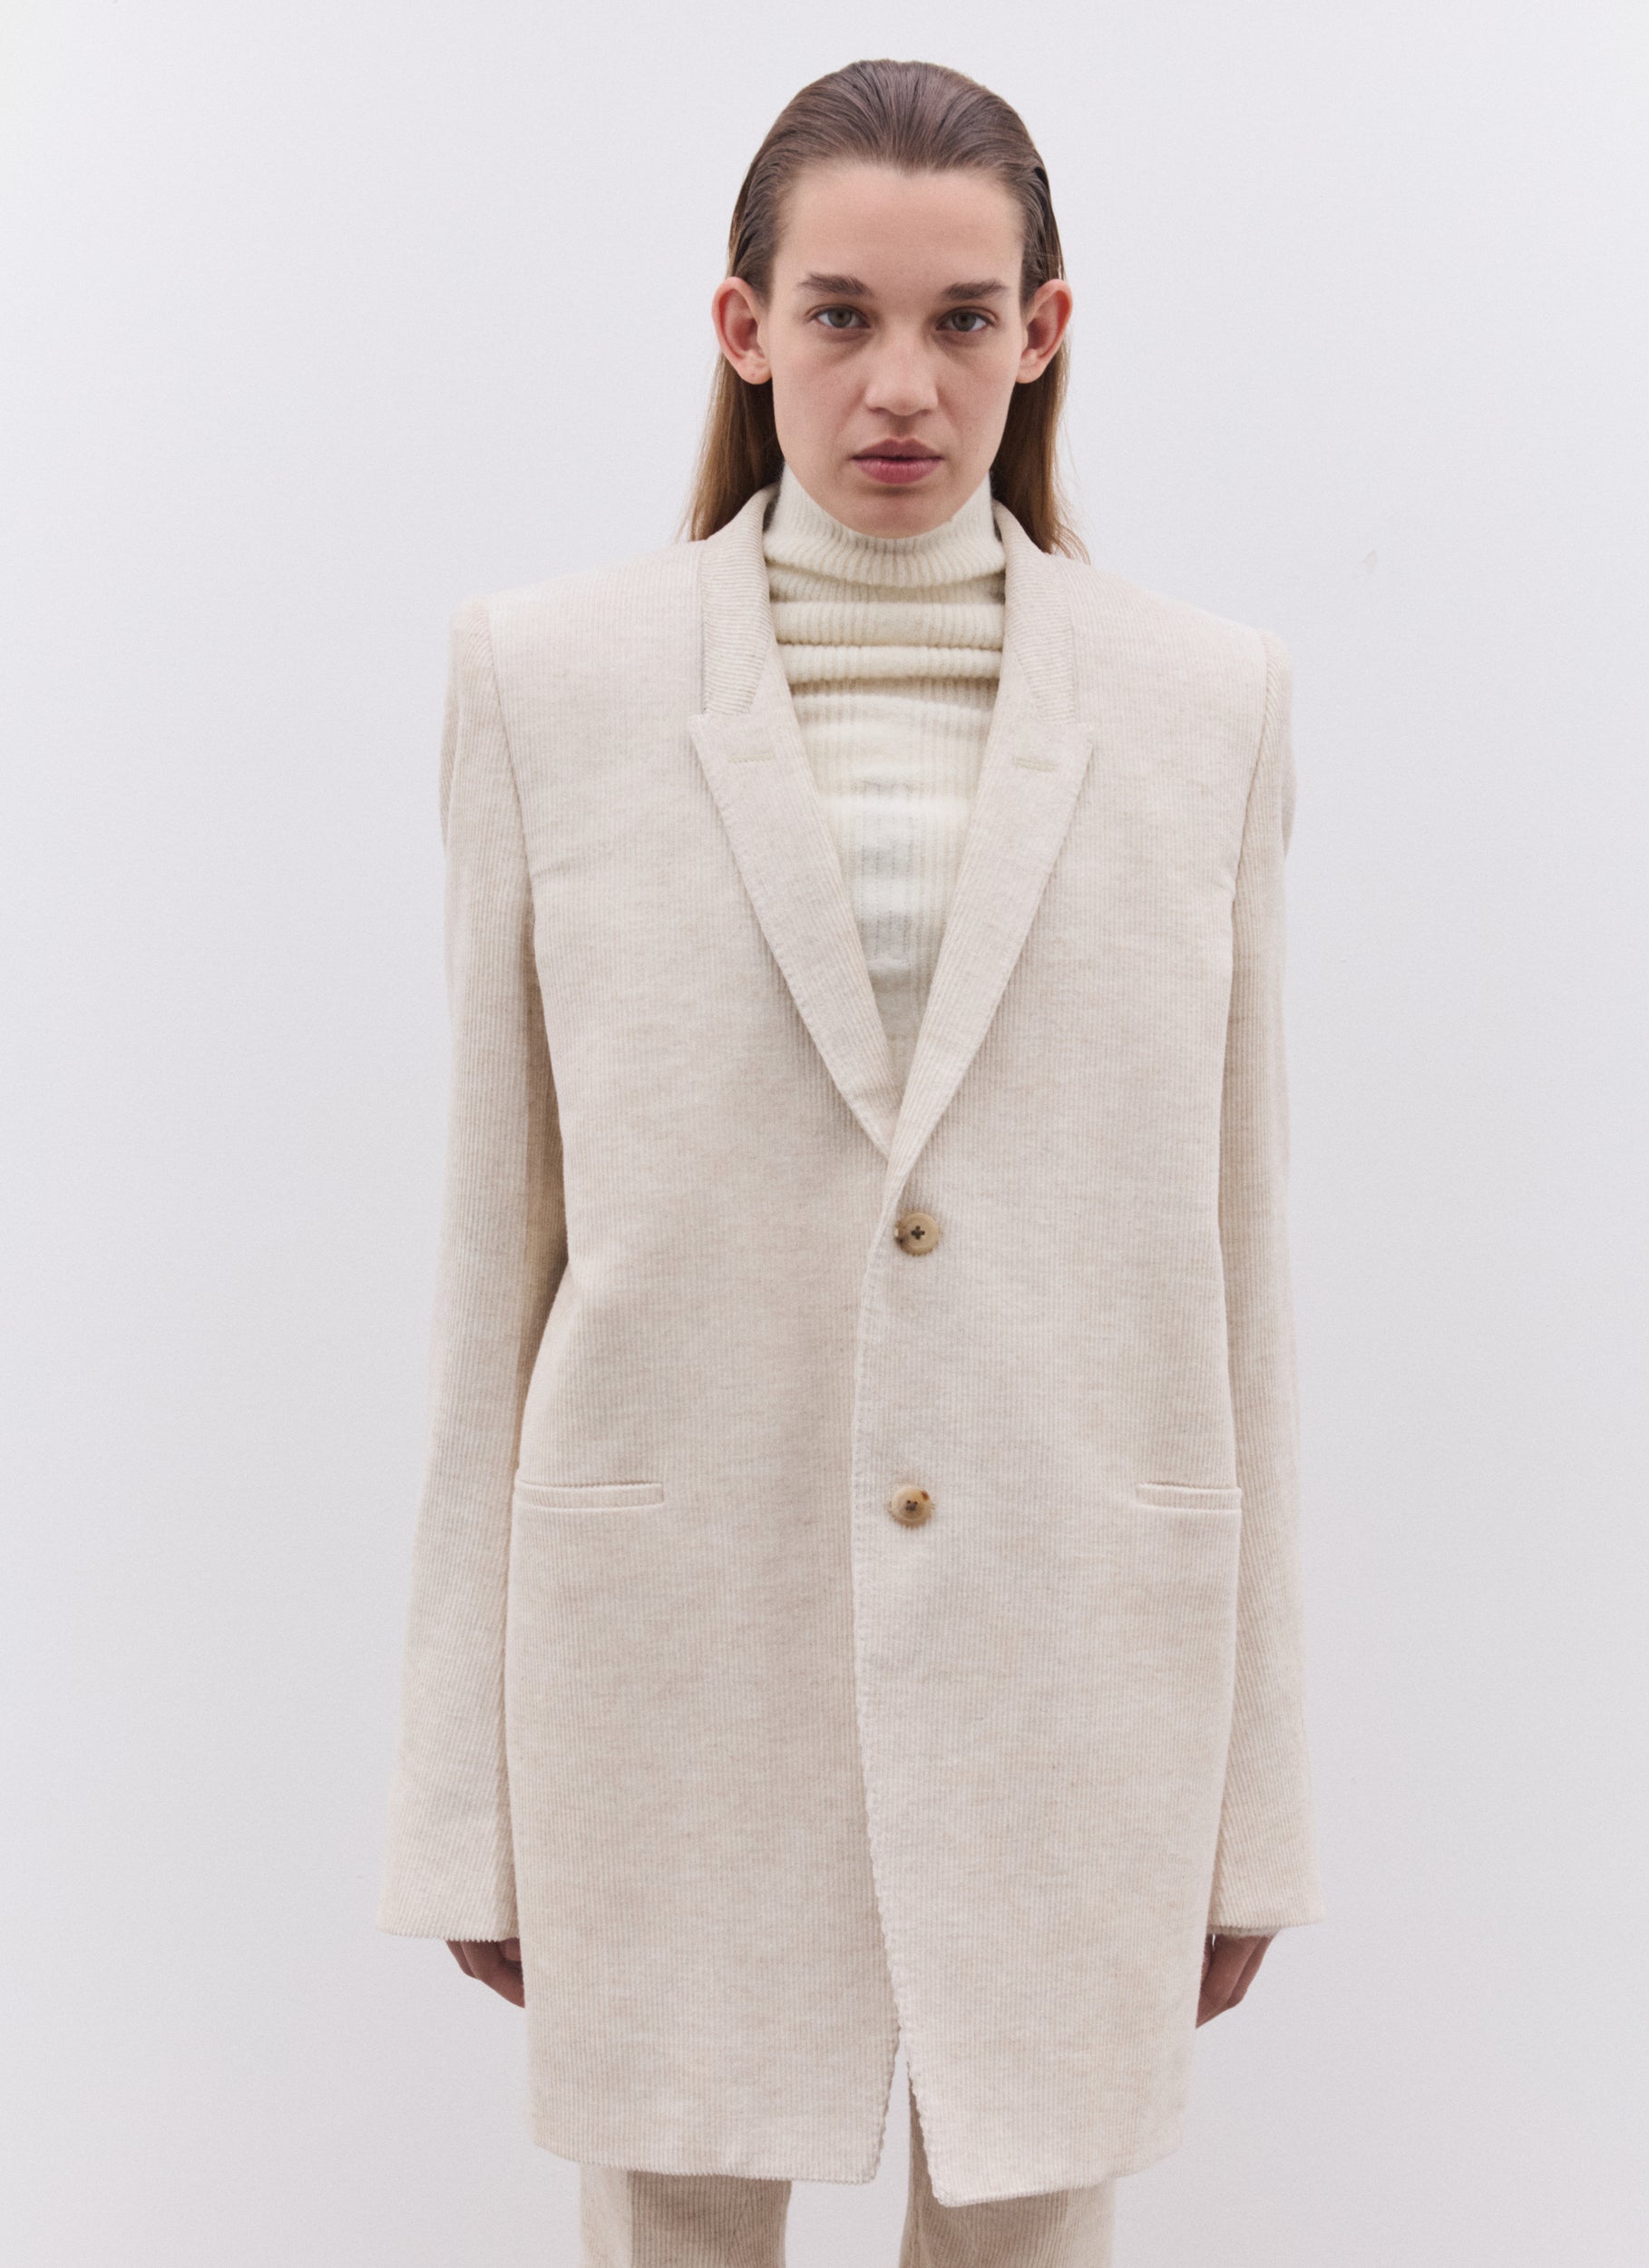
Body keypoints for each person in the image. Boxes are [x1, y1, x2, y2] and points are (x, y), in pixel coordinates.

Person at [378, 56, 1322, 2268]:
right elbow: (490, 1244)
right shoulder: (548, 685)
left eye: (961, 318)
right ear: (744, 328)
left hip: (1075, 1640)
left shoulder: (1205, 705)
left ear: (1041, 331)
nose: (902, 381)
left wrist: (1253, 1802)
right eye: (839, 315)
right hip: (666, 1639)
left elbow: (1238, 1254)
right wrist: (461, 1801)